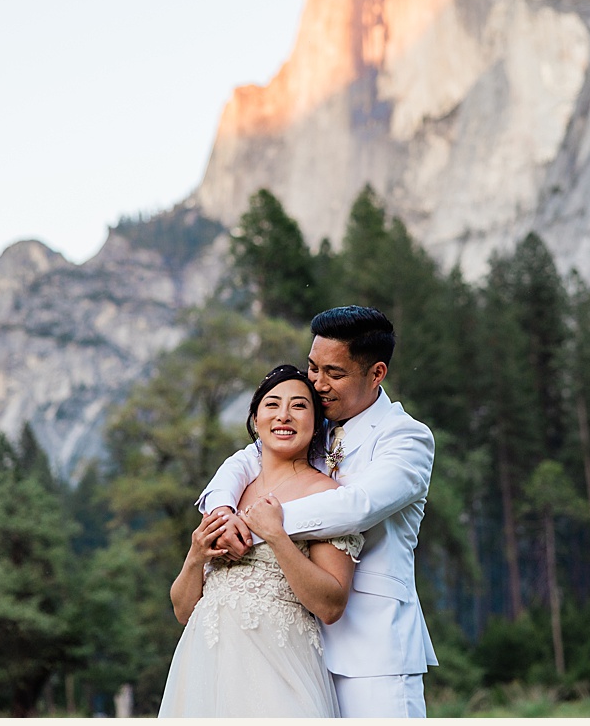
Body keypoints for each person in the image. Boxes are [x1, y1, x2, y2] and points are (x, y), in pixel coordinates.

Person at [192, 306, 438, 717]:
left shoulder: (407, 438)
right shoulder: (313, 425)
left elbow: (357, 507)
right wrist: (221, 513)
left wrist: (258, 526)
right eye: (312, 368)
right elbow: (241, 462)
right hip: (293, 648)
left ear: (376, 374)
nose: (317, 384)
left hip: (372, 654)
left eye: (334, 374)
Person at [158, 365, 362, 717]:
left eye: (299, 406)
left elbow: (331, 605)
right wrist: (195, 555)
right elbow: (182, 611)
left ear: (316, 424)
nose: (283, 415)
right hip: (205, 671)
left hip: (278, 671)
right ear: (255, 420)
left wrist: (276, 536)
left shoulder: (327, 495)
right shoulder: (229, 498)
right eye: (272, 405)